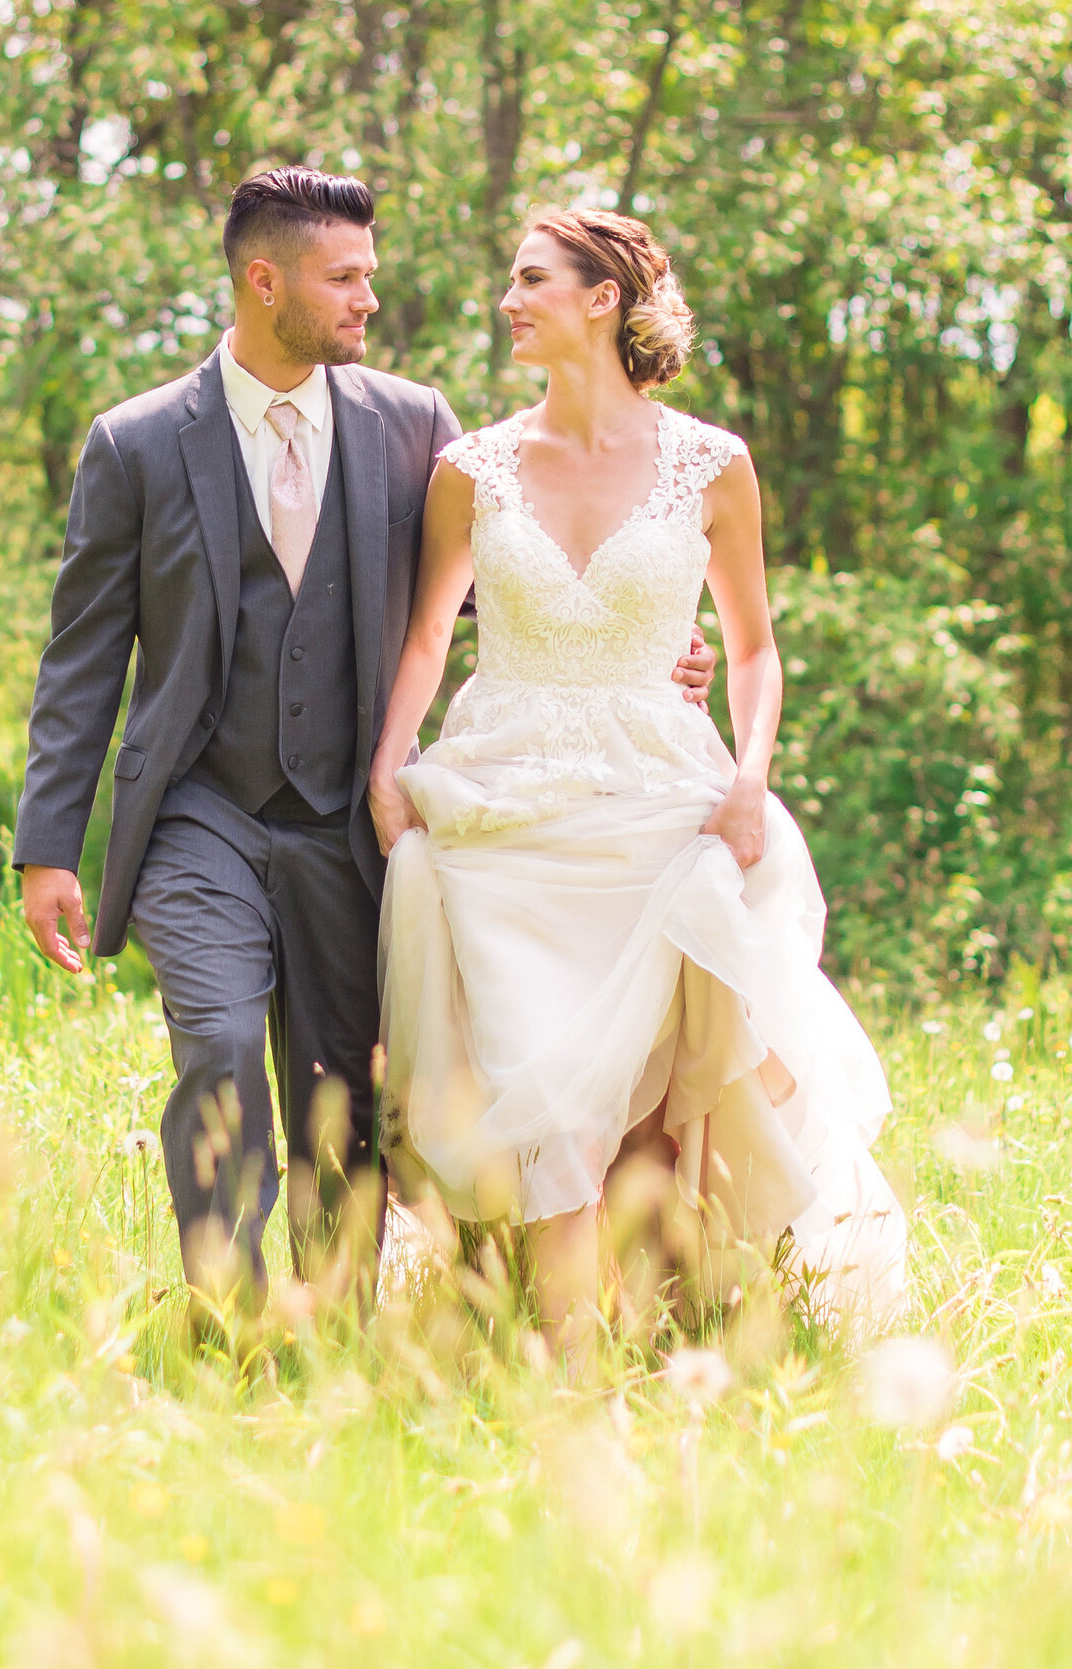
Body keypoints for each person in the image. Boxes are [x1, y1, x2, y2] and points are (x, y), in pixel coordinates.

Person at [13, 168, 717, 1307]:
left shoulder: (414, 424)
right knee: (222, 1050)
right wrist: (49, 846)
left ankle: (332, 1318)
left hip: (351, 822)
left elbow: (504, 588)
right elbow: (85, 656)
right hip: (199, 813)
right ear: (263, 281)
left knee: (338, 1094)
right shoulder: (135, 444)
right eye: (344, 279)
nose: (367, 300)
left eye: (368, 277)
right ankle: (228, 1319)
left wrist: (664, 649)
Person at [370, 208, 907, 1357]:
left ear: (602, 298)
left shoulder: (713, 464)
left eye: (530, 280)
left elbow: (753, 649)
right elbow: (426, 637)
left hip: (658, 796)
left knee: (656, 1086)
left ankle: (654, 1329)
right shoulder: (470, 469)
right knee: (542, 1082)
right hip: (502, 800)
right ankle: (561, 1372)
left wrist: (749, 780)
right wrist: (390, 761)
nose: (507, 301)